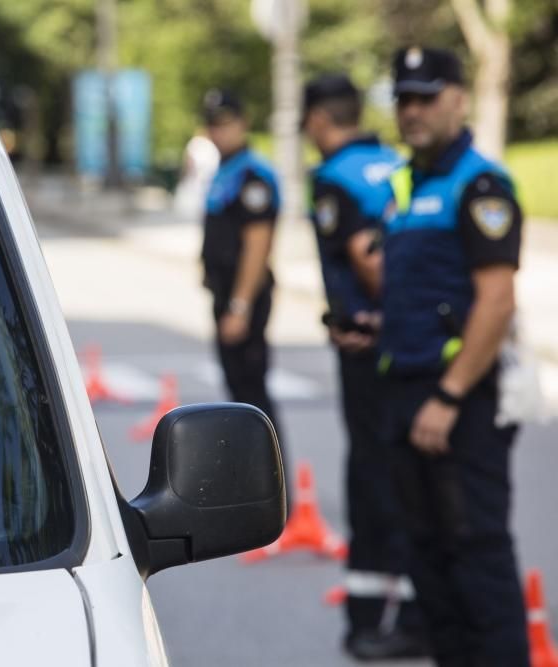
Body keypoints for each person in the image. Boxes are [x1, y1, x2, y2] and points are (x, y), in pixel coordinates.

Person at [380, 47, 529, 665]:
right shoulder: (407, 182)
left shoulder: (481, 185)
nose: (413, 110)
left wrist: (448, 396)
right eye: (404, 98)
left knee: (475, 556)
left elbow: (495, 304)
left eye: (426, 96)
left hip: (457, 400)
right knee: (427, 557)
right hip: (404, 389)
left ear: (459, 98)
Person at [302, 73, 427, 660]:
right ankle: (408, 607)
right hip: (410, 348)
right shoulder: (392, 164)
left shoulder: (334, 178)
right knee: (403, 473)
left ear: (318, 121)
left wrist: (385, 314)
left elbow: (366, 255)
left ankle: (373, 621)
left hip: (371, 347)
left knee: (374, 479)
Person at [199, 88, 284, 442]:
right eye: (212, 125)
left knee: (253, 401)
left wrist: (240, 306)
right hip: (226, 296)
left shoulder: (252, 175)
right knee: (240, 396)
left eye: (226, 124)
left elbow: (257, 244)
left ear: (243, 123)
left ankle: (272, 486)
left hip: (244, 299)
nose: (219, 132)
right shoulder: (227, 170)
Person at [173, 126, 221, 222]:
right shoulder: (208, 145)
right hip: (206, 179)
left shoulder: (198, 143)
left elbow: (189, 160)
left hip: (199, 178)